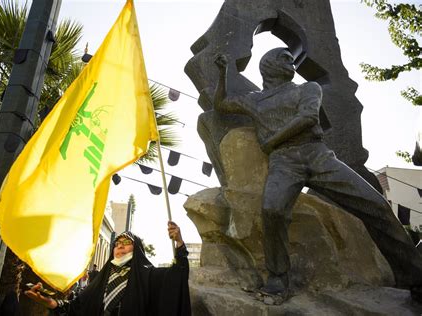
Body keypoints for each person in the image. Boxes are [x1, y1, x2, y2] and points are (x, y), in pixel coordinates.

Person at [214, 48, 422, 302]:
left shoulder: (308, 88)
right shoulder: (253, 99)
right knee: (272, 210)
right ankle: (278, 278)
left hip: (318, 155)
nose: (291, 62)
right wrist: (223, 73)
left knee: (375, 204)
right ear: (267, 65)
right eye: (284, 58)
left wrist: (271, 141)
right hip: (284, 162)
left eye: (292, 59)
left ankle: (416, 278)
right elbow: (221, 104)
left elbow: (308, 117)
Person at [25, 221, 191, 315]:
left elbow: (177, 276)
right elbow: (77, 308)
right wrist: (51, 302)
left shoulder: (149, 276)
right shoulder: (102, 278)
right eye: (117, 244)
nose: (120, 247)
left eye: (126, 243)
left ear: (137, 249)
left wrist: (179, 242)